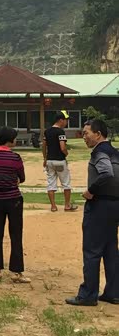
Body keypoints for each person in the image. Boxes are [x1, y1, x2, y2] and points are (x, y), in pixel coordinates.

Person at [66, 118, 119, 307]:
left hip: (99, 206)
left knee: (92, 250)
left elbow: (106, 173)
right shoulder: (115, 152)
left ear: (98, 134)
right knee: (110, 250)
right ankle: (114, 292)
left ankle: (88, 294)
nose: (84, 136)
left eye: (86, 133)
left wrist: (91, 191)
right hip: (114, 205)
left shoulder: (100, 152)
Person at [0, 126, 29, 284]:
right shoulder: (15, 158)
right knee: (16, 235)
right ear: (10, 140)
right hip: (13, 198)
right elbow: (22, 177)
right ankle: (17, 272)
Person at [43, 111, 78, 213]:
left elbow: (44, 146)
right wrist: (66, 153)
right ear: (60, 120)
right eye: (65, 120)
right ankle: (67, 205)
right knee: (66, 183)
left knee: (51, 183)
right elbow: (62, 147)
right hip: (60, 161)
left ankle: (53, 206)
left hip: (49, 161)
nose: (66, 122)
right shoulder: (61, 132)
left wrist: (45, 158)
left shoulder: (47, 131)